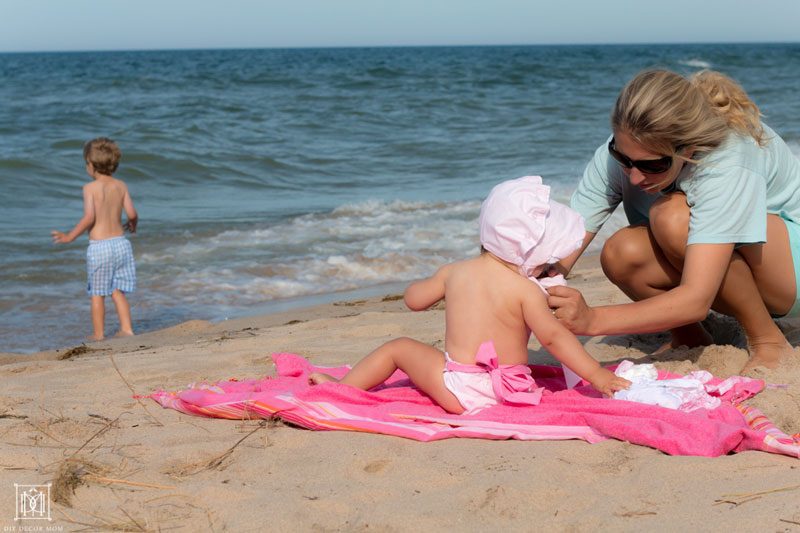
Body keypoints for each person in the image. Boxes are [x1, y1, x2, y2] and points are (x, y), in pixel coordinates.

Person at [548, 69, 800, 373]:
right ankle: (690, 336)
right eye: (622, 158)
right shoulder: (628, 149)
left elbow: (696, 297)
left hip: (788, 275)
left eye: (653, 165)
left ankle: (768, 340)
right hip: (728, 269)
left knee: (672, 217)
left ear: (688, 148)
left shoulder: (728, 158)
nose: (635, 175)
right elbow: (564, 243)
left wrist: (592, 320)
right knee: (620, 253)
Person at [309, 176, 630, 414]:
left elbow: (414, 301)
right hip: (510, 390)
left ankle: (343, 390)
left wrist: (420, 284)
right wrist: (596, 374)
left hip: (460, 390)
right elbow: (554, 338)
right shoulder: (526, 290)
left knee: (398, 348)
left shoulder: (454, 272)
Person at [52, 137, 139, 341]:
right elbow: (132, 213)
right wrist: (133, 225)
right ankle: (127, 329)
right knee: (118, 290)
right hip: (121, 244)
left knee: (97, 293)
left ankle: (98, 334)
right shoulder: (121, 185)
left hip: (100, 247)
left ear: (91, 166)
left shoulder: (90, 189)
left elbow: (89, 217)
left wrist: (69, 237)